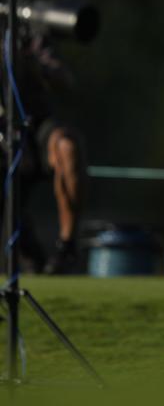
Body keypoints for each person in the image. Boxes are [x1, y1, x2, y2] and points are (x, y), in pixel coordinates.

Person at [12, 33, 88, 275]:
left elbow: (64, 80)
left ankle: (66, 248)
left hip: (36, 127)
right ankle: (27, 248)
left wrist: (35, 65)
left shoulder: (26, 34)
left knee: (68, 146)